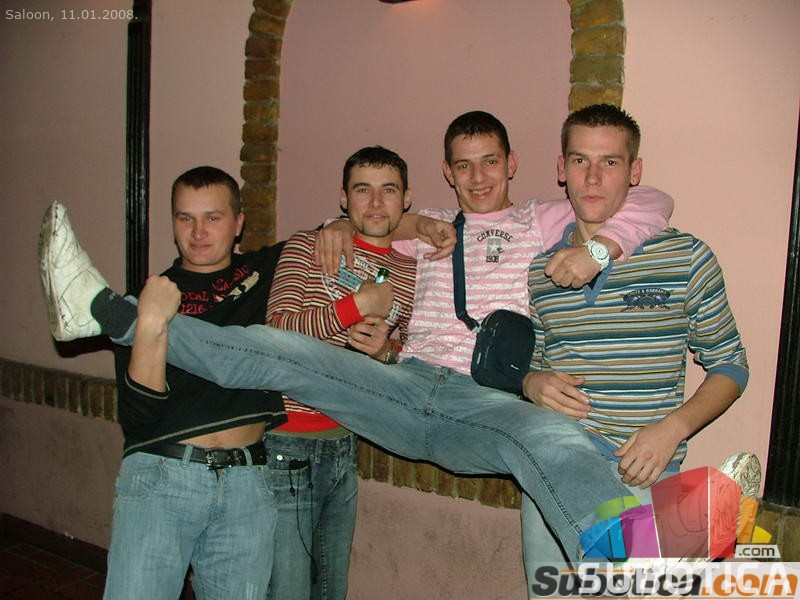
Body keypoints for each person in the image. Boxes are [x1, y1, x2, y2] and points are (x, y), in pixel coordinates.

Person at [39, 110, 672, 566]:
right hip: (398, 386)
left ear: (513, 165)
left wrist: (599, 249)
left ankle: (640, 570)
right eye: (463, 165)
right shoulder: (427, 227)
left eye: (490, 162)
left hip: (484, 403)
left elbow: (650, 201)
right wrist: (337, 224)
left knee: (553, 439)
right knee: (285, 352)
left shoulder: (541, 218)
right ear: (447, 173)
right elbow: (366, 217)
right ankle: (107, 314)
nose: (478, 177)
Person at [519, 104, 749, 577]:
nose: (593, 178)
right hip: (552, 469)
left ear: (635, 171)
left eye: (610, 162)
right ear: (562, 169)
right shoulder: (540, 270)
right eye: (580, 160)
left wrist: (673, 429)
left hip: (642, 471)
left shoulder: (685, 256)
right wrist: (530, 382)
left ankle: (680, 539)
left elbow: (731, 366)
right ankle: (685, 539)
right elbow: (534, 364)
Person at [103, 166, 286, 599]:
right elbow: (138, 416)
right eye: (185, 218)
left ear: (238, 222)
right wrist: (151, 322)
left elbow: (358, 223)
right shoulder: (149, 297)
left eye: (212, 218)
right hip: (163, 476)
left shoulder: (266, 272)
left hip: (248, 482)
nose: (198, 232)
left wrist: (418, 226)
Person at [264, 146, 417, 600]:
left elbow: (414, 357)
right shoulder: (307, 245)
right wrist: (354, 307)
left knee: (331, 590)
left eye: (388, 190)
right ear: (343, 199)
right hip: (287, 442)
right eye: (363, 190)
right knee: (287, 590)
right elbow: (276, 331)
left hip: (346, 443)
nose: (376, 202)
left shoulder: (413, 272)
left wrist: (386, 351)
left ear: (406, 199)